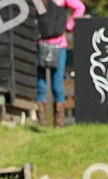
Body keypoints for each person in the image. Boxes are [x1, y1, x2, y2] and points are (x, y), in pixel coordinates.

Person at [37, 0, 86, 128]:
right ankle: (41, 121)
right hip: (40, 44)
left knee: (57, 84)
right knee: (40, 84)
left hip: (59, 45)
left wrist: (69, 25)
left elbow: (80, 8)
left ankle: (59, 122)